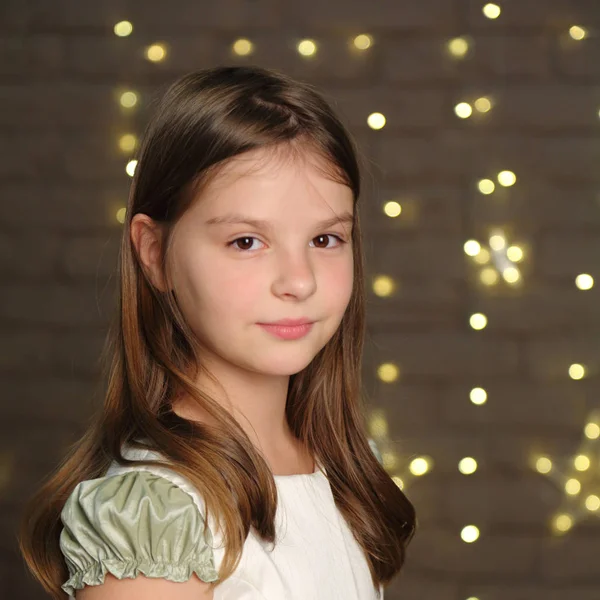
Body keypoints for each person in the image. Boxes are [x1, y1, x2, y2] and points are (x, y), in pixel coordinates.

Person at [18, 65, 416, 600]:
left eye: (325, 239)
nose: (299, 281)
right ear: (154, 254)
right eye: (247, 242)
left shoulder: (337, 467)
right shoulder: (159, 519)